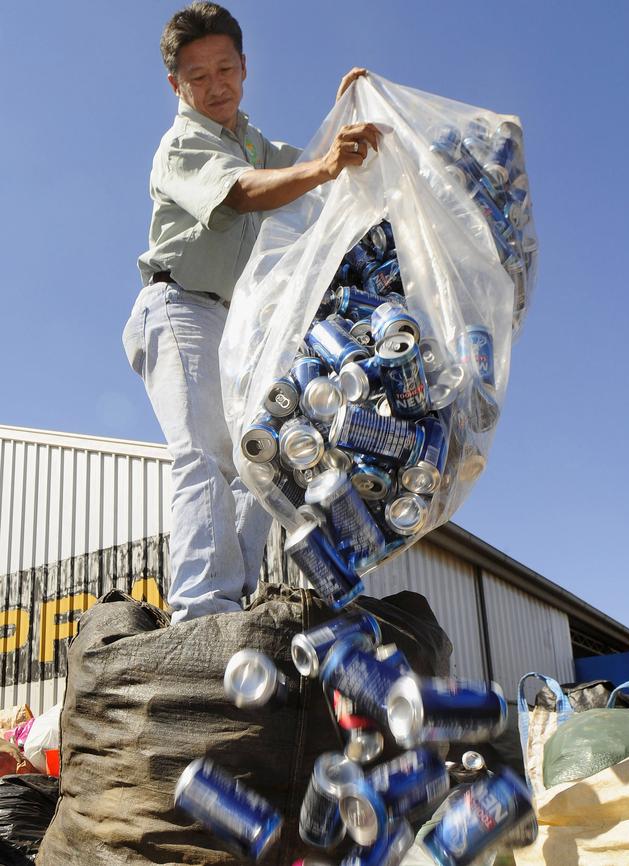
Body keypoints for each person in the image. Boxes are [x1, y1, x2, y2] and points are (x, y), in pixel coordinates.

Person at [122, 2, 379, 624]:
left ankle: (228, 603)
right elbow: (242, 192)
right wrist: (321, 166)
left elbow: (316, 166)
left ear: (244, 68)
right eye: (198, 76)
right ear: (175, 86)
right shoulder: (182, 144)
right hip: (179, 307)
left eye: (225, 69)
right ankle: (201, 608)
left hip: (239, 324)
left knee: (258, 461)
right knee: (205, 453)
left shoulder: (256, 142)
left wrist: (349, 114)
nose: (215, 86)